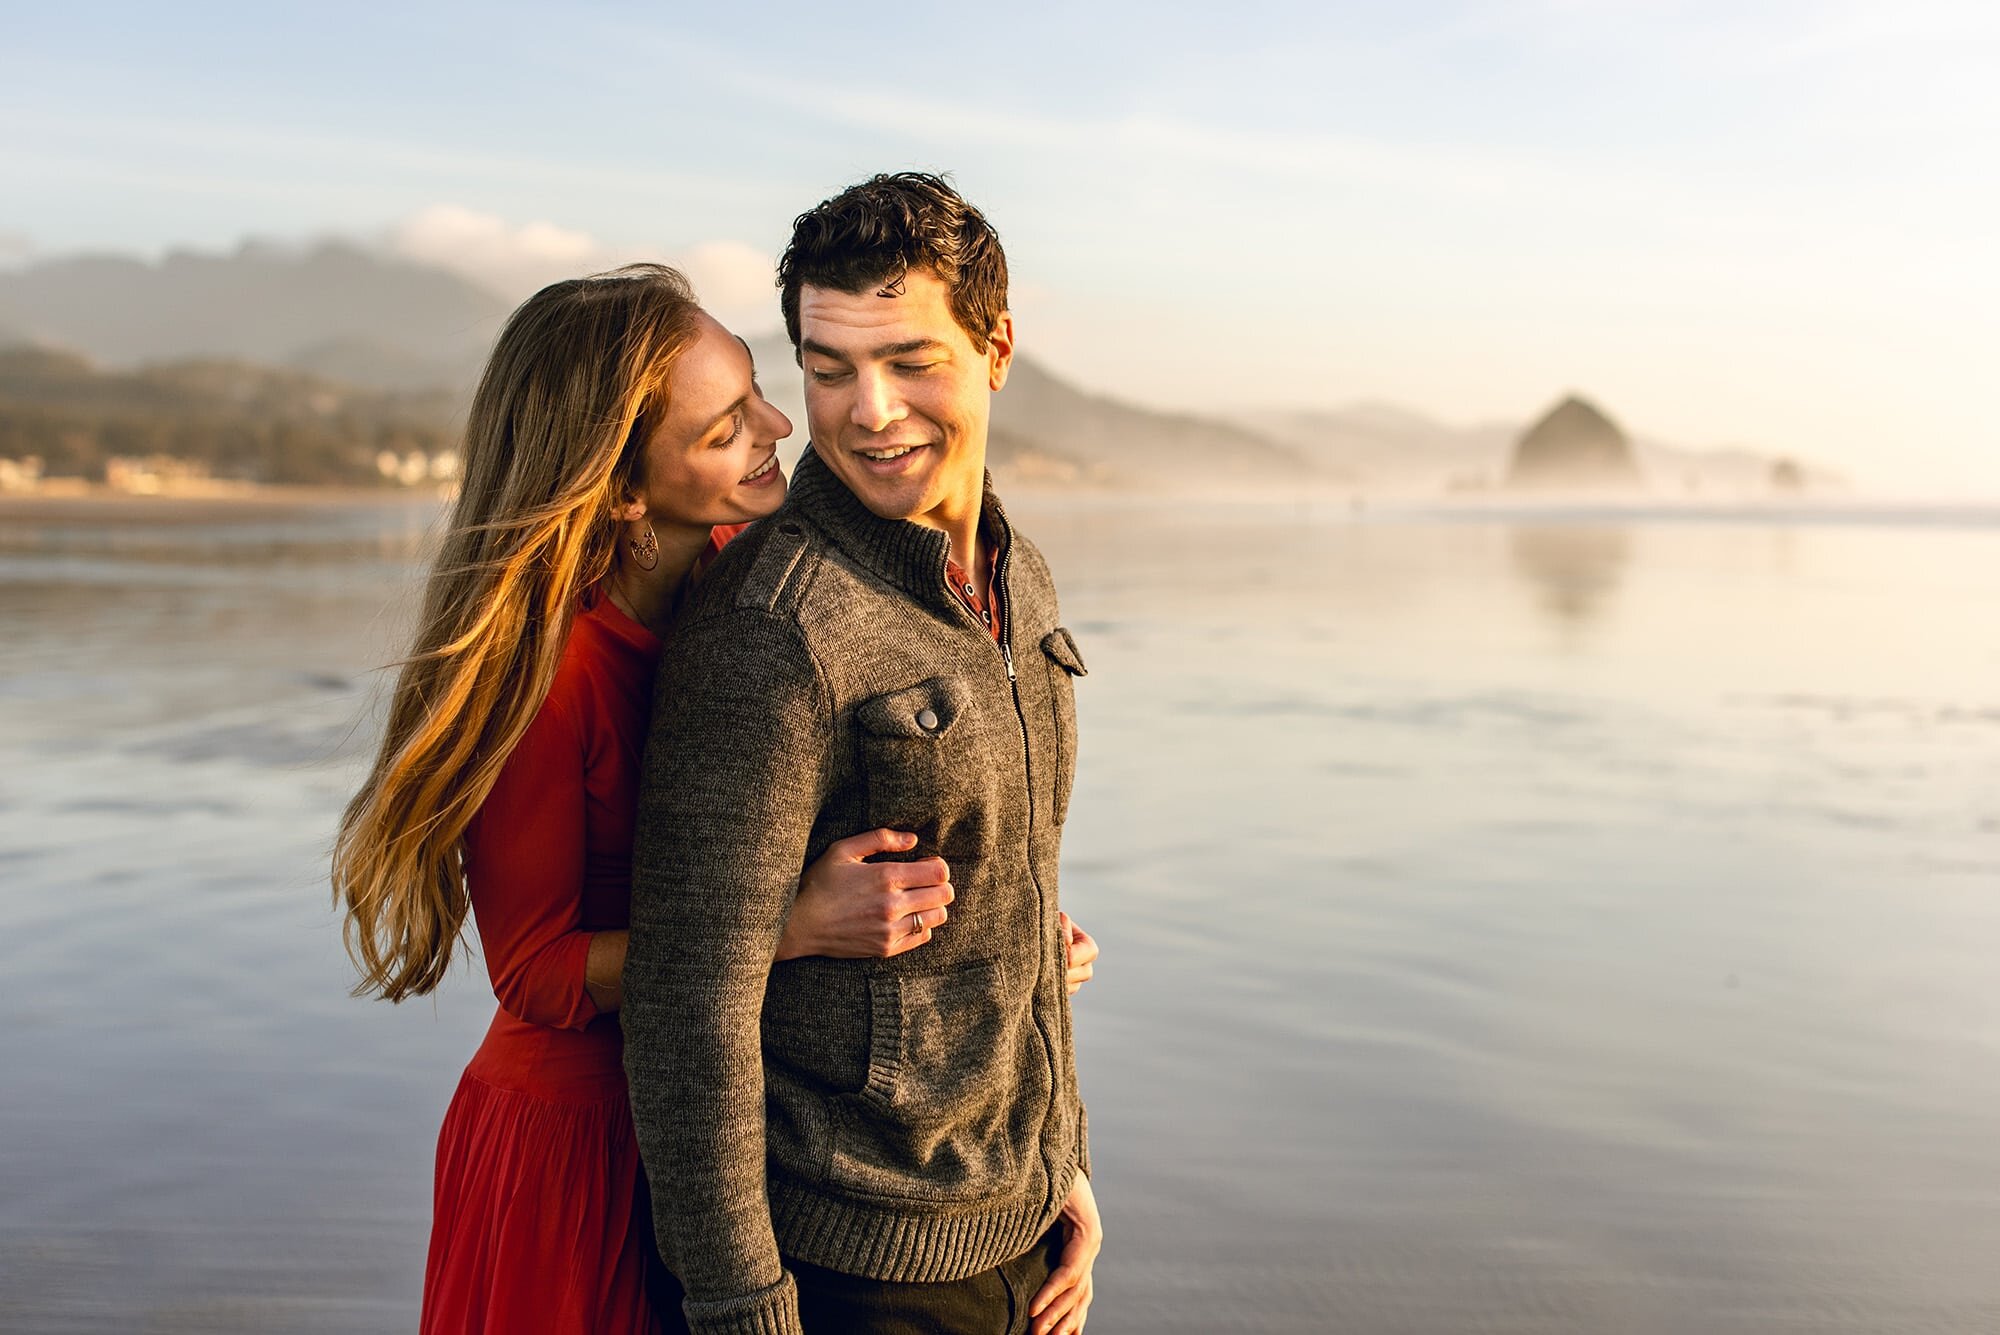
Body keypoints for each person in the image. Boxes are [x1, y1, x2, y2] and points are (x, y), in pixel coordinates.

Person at [330, 264, 1100, 1334]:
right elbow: (534, 972)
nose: (780, 423)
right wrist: (783, 930)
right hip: (582, 1136)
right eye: (726, 428)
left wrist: (1001, 937)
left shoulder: (740, 583)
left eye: (755, 389)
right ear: (624, 492)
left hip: (730, 1112)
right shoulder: (551, 679)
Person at [624, 173, 1100, 1335]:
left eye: (908, 360)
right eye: (828, 369)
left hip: (1026, 1239)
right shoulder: (770, 626)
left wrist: (1065, 1166)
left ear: (995, 348)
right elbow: (689, 1003)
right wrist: (742, 1309)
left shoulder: (1017, 574)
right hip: (850, 1270)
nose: (867, 410)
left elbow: (1018, 898)